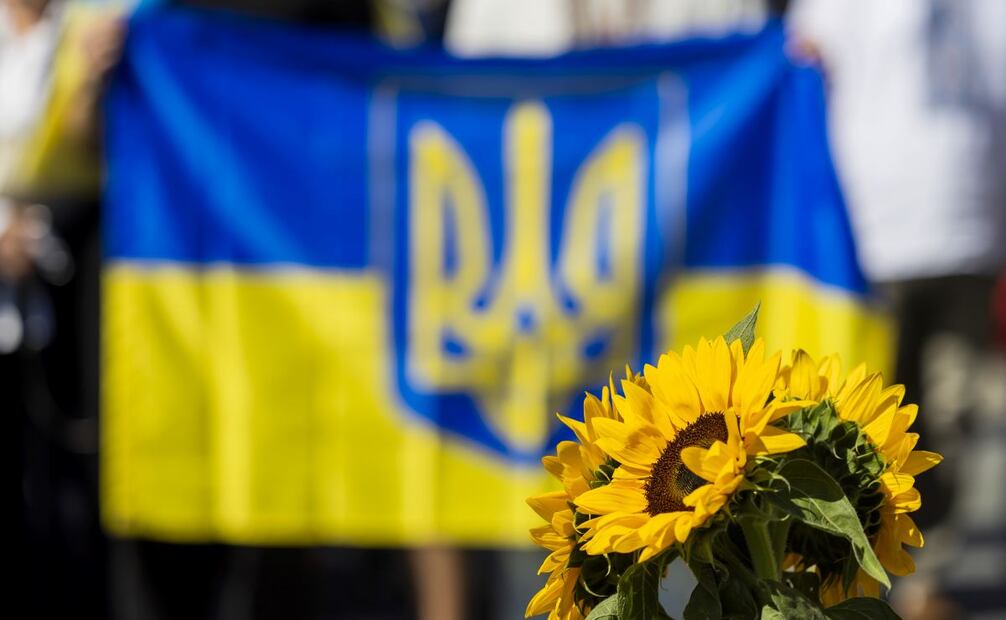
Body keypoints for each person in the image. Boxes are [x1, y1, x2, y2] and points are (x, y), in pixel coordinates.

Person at [788, 1, 1006, 617]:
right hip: (868, 232)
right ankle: (847, 576)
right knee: (858, 420)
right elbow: (801, 66)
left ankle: (923, 576)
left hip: (970, 228)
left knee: (951, 416)